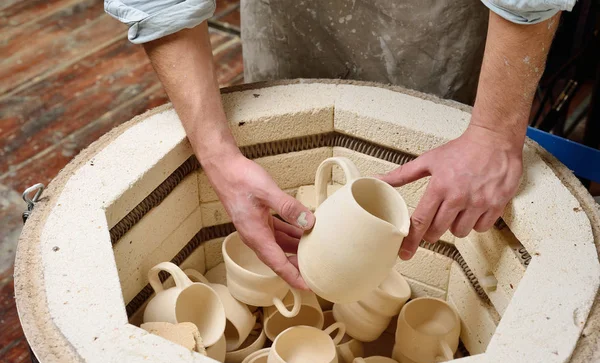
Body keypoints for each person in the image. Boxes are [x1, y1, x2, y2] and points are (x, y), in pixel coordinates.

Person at [105, 0, 572, 290]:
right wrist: (218, 155)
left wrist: (493, 131)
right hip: (290, 15)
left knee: (433, 135)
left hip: (432, 22)